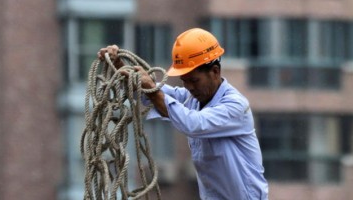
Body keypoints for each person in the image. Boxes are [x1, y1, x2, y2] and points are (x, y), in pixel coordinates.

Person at [99, 28, 269, 200]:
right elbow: (151, 94)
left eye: (194, 80)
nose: (189, 87)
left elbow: (193, 123)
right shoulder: (192, 98)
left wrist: (151, 89)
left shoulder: (235, 106)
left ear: (215, 72)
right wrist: (119, 66)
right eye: (185, 81)